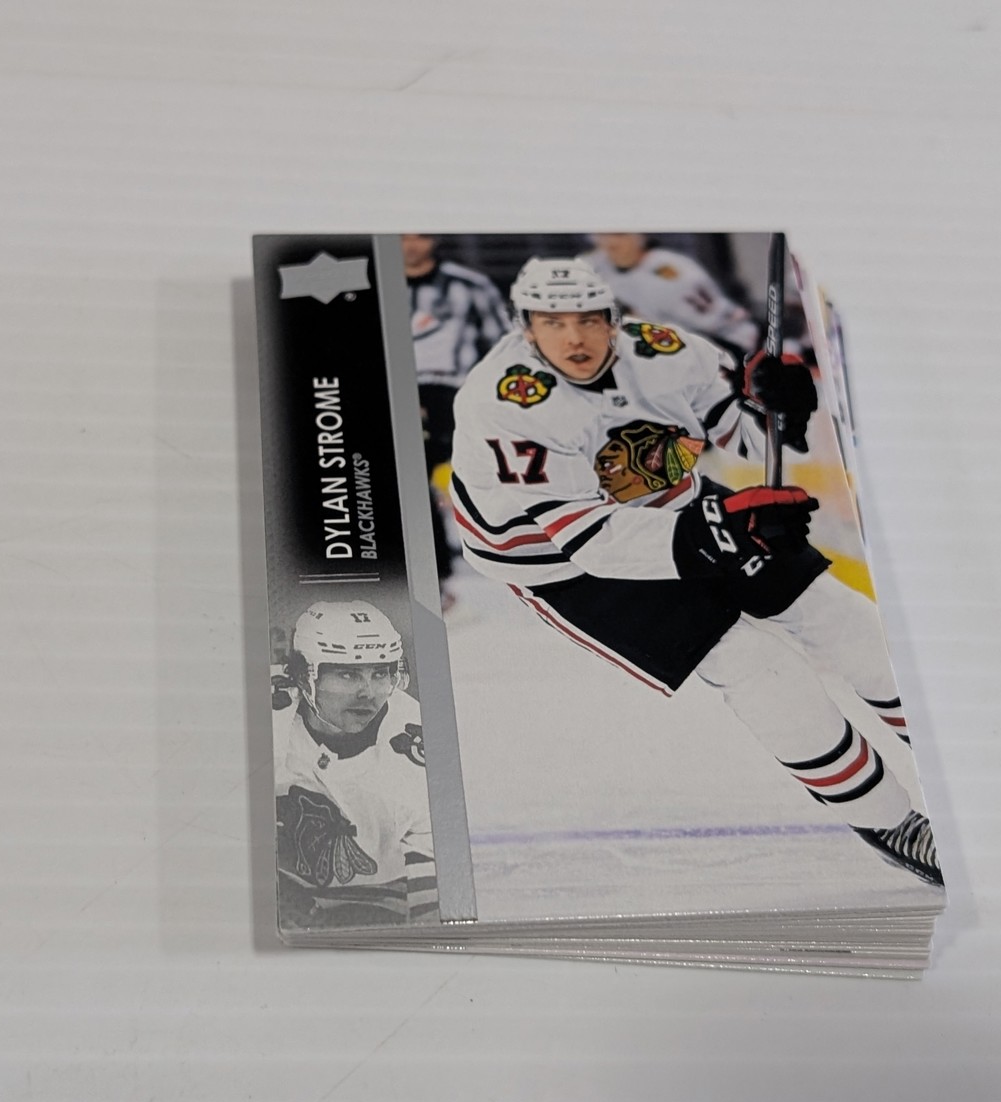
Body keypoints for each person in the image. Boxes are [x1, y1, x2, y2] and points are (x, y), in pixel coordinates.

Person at [448, 257, 942, 886]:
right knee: (758, 665)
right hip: (558, 561)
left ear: (614, 319)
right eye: (553, 322)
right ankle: (888, 822)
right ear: (525, 327)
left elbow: (747, 435)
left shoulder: (664, 352)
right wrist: (721, 529)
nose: (573, 338)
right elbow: (590, 543)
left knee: (841, 618)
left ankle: (954, 769)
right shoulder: (504, 404)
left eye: (588, 320)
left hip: (674, 505)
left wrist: (781, 408)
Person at [273, 600, 438, 927]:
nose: (368, 693)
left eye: (380, 673)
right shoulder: (263, 717)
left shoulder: (418, 755)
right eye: (348, 674)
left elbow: (431, 904)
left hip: (383, 899)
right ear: (304, 676)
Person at [401, 234, 512, 608]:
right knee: (410, 489)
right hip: (395, 394)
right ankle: (433, 579)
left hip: (455, 394)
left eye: (419, 235)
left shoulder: (468, 284)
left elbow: (502, 344)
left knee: (477, 477)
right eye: (402, 236)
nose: (410, 244)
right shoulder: (372, 283)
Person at [586, 233, 760, 353]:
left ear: (641, 236)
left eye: (619, 235)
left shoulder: (671, 274)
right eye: (602, 236)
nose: (611, 244)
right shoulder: (600, 264)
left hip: (728, 349)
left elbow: (729, 327)